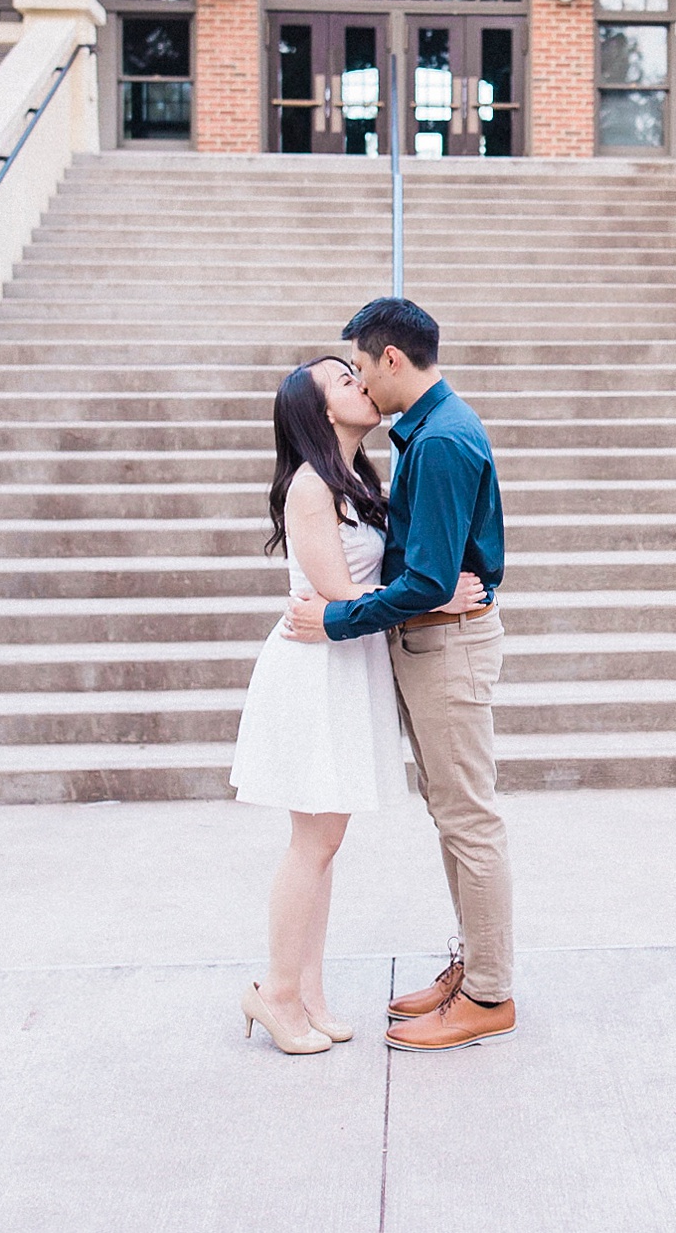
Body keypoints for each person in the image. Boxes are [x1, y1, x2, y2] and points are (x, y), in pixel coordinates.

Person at [233, 354, 486, 1055]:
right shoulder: (310, 487)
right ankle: (276, 993)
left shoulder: (352, 481)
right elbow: (342, 599)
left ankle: (307, 992)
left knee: (326, 842)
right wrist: (435, 593)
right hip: (314, 672)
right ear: (318, 411)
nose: (361, 383)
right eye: (344, 380)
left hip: (344, 667)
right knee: (311, 841)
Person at [281, 296, 515, 1052]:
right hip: (431, 645)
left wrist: (338, 620)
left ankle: (488, 992)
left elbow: (426, 578)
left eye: (359, 366)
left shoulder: (441, 440)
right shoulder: (422, 437)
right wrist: (434, 581)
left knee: (468, 819)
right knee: (453, 816)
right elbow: (428, 570)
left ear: (391, 359)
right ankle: (473, 967)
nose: (360, 381)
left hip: (449, 648)